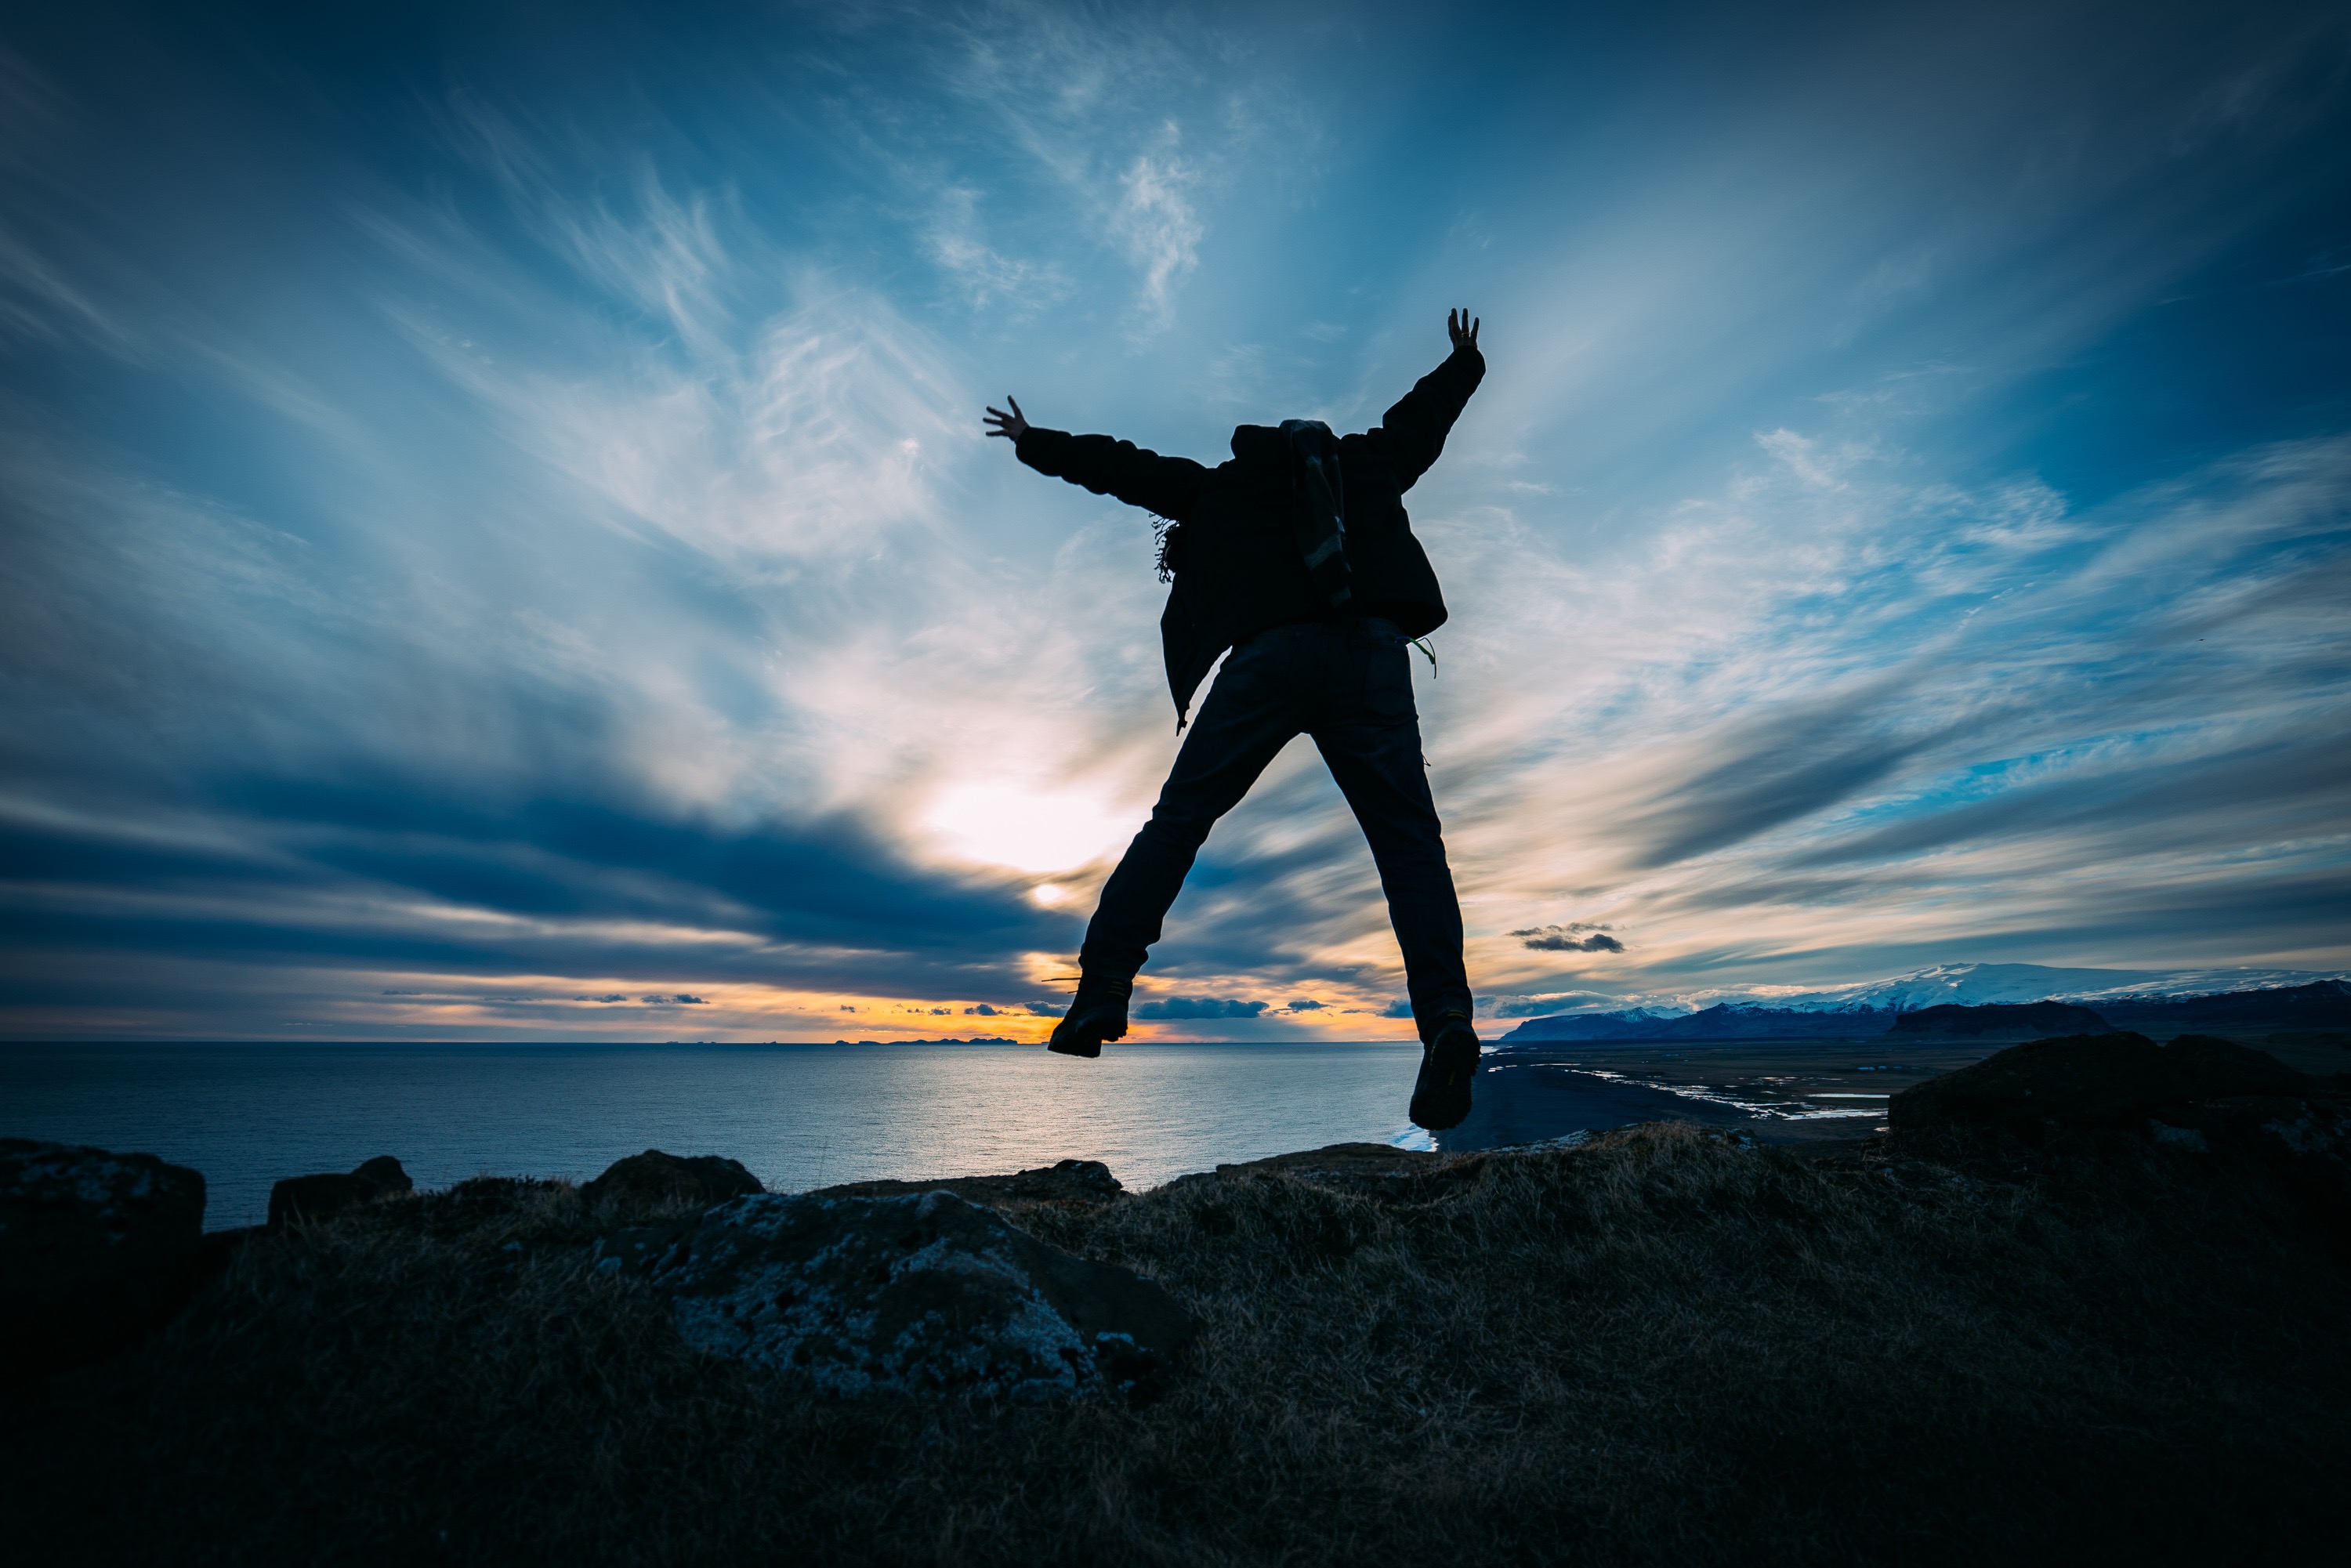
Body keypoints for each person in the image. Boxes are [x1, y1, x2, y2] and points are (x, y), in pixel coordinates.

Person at [984, 310, 1487, 1130]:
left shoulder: (1220, 485)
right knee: (1408, 846)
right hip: (1370, 651)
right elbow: (1419, 425)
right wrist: (1463, 364)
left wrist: (1035, 442)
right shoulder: (1365, 463)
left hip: (1270, 656)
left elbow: (1121, 467)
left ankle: (1102, 992)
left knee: (1179, 820)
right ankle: (1447, 1024)